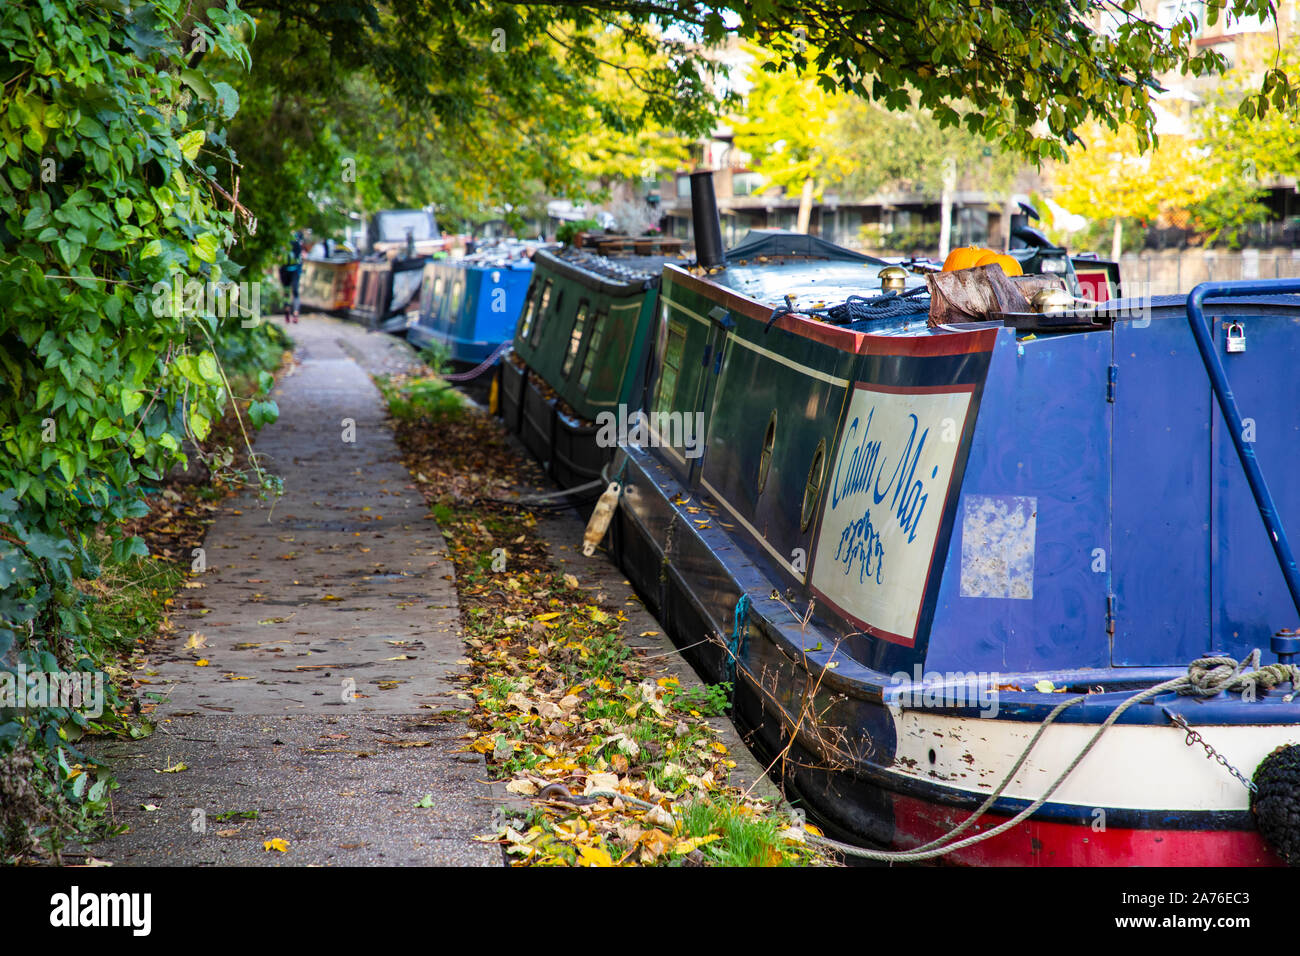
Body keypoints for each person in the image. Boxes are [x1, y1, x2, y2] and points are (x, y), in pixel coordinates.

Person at [280, 230, 303, 323]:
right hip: (295, 271)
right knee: (295, 293)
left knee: (286, 292)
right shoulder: (298, 245)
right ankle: (296, 313)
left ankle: (287, 312)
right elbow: (300, 260)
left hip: (285, 271)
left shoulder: (284, 245)